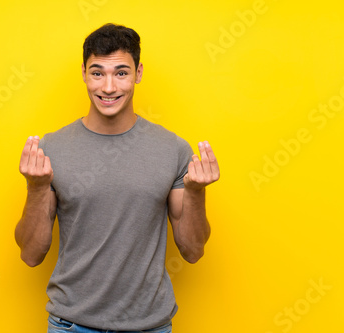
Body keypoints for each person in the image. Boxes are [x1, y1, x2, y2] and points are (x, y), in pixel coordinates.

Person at [15, 23, 220, 333]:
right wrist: (36, 187)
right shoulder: (51, 149)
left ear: (138, 73)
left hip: (149, 326)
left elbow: (192, 251)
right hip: (71, 325)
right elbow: (30, 255)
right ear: (83, 73)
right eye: (98, 73)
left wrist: (195, 193)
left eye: (121, 73)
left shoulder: (173, 149)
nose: (108, 87)